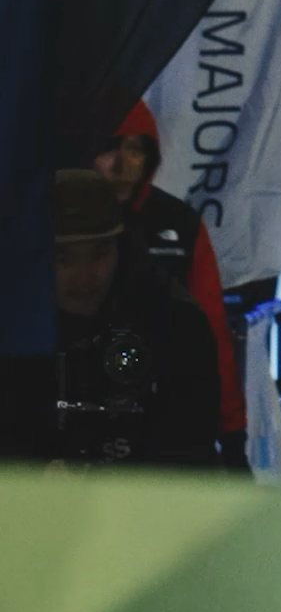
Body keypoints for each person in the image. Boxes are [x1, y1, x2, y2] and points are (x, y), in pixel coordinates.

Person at [30, 169, 224, 468]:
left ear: (120, 247)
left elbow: (191, 453)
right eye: (63, 258)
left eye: (99, 254)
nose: (84, 277)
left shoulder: (173, 322)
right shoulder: (14, 328)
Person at [94, 101, 248, 467]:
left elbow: (212, 330)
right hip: (80, 412)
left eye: (135, 149)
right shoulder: (48, 218)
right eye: (110, 147)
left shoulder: (179, 223)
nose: (122, 164)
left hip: (170, 419)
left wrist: (232, 433)